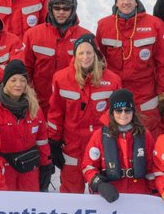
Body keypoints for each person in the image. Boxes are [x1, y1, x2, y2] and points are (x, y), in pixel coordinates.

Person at [47, 35, 123, 194]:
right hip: (72, 145)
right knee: (71, 191)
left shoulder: (113, 80)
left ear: (95, 53)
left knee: (100, 191)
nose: (85, 57)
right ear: (75, 55)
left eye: (89, 53)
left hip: (100, 144)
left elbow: (116, 118)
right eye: (81, 53)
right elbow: (56, 113)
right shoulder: (61, 78)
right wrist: (53, 142)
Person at [95, 0, 164, 131]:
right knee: (116, 139)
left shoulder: (154, 25)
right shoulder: (104, 26)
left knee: (146, 136)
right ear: (116, 2)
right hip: (115, 93)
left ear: (136, 1)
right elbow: (99, 61)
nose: (126, 2)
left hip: (145, 95)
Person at [0, 60, 51, 192]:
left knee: (30, 209)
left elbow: (42, 140)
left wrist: (46, 165)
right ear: (5, 82)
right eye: (13, 80)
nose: (18, 84)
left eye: (22, 80)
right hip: (4, 171)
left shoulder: (34, 106)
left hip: (30, 169)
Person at [24, 0, 91, 116]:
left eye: (66, 8)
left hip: (72, 104)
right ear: (50, 9)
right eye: (57, 8)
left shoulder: (85, 37)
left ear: (73, 10)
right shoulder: (32, 35)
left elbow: (94, 72)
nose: (61, 12)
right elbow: (25, 69)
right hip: (39, 103)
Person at [80, 88, 156, 200]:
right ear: (112, 112)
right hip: (110, 195)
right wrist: (100, 185)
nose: (123, 114)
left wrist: (156, 194)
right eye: (119, 110)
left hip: (140, 196)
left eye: (127, 110)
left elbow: (152, 167)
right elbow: (88, 167)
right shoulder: (99, 135)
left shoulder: (144, 134)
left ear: (133, 112)